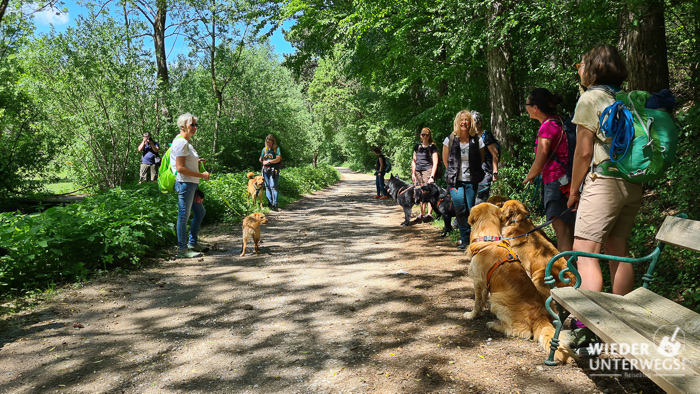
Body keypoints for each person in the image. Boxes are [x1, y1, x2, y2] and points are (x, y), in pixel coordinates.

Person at [568, 44, 639, 296]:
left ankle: (587, 323)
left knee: (585, 252)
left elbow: (584, 152)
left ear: (593, 69)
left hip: (604, 182)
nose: (579, 69)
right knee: (618, 249)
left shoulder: (590, 98)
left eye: (581, 64)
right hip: (631, 182)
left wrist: (573, 190)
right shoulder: (624, 97)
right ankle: (622, 314)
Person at [523, 88, 575, 252]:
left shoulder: (546, 127)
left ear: (535, 108)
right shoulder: (558, 121)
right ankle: (575, 271)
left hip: (555, 183)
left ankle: (568, 274)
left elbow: (541, 157)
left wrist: (529, 176)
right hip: (567, 181)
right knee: (569, 230)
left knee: (562, 232)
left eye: (527, 104)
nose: (526, 108)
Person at [443, 110, 485, 249]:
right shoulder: (450, 139)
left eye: (466, 120)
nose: (464, 122)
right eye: (461, 120)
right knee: (459, 208)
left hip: (471, 180)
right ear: (457, 122)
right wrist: (453, 172)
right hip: (455, 180)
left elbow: (482, 158)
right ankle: (465, 239)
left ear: (470, 122)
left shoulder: (477, 139)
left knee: (470, 208)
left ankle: (473, 236)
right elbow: (446, 160)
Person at [172, 113, 210, 259]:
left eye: (195, 125)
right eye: (191, 125)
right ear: (183, 126)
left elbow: (184, 162)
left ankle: (192, 243)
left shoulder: (185, 142)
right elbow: (180, 168)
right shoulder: (181, 142)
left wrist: (197, 161)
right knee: (183, 216)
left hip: (191, 184)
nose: (194, 127)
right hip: (185, 184)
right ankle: (182, 249)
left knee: (200, 212)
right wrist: (202, 175)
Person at [472, 111, 500, 205]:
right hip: (475, 171)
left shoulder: (486, 135)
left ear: (479, 123)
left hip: (486, 170)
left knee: (481, 198)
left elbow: (495, 154)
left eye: (473, 123)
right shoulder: (472, 137)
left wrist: (495, 172)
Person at [411, 127, 439, 222]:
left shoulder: (432, 147)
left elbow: (435, 162)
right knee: (419, 192)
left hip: (428, 170)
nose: (425, 136)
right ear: (420, 136)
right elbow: (414, 161)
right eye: (423, 135)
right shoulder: (417, 147)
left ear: (429, 136)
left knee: (428, 192)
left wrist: (432, 176)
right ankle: (421, 213)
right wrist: (413, 173)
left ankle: (429, 214)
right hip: (418, 171)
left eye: (427, 135)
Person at [259, 134, 282, 210]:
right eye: (267, 142)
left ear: (273, 142)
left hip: (273, 170)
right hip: (265, 170)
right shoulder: (264, 149)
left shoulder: (276, 149)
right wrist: (263, 159)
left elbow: (278, 159)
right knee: (267, 187)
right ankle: (269, 203)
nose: (268, 144)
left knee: (273, 187)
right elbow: (260, 159)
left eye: (270, 142)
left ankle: (275, 204)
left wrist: (269, 161)